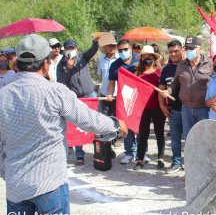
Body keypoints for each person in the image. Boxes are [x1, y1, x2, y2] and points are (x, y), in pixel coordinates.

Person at [0, 34, 128, 215]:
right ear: (46, 64)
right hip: (49, 182)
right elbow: (87, 119)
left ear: (17, 64)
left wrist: (6, 171)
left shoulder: (3, 95)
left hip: (16, 185)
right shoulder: (55, 92)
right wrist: (115, 124)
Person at [57, 37, 99, 165]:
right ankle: (79, 155)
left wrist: (95, 42)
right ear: (64, 51)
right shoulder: (61, 64)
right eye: (68, 48)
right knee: (77, 127)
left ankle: (99, 152)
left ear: (76, 49)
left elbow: (93, 50)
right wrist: (68, 68)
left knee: (95, 124)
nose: (71, 50)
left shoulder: (82, 57)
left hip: (90, 95)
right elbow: (60, 82)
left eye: (73, 48)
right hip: (75, 98)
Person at [107, 39, 144, 164]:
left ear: (131, 49)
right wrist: (110, 94)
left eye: (125, 49)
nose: (123, 52)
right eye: (120, 50)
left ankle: (142, 153)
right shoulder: (114, 65)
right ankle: (129, 153)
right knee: (126, 126)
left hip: (139, 98)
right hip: (124, 99)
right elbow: (111, 83)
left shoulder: (139, 61)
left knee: (140, 126)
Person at [171, 37, 213, 140]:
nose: (188, 51)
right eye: (186, 48)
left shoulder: (210, 64)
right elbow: (175, 84)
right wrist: (166, 91)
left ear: (199, 48)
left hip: (204, 109)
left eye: (191, 48)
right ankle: (190, 157)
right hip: (186, 109)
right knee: (189, 139)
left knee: (204, 139)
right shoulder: (181, 64)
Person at [134, 45, 166, 170]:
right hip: (143, 108)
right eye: (144, 56)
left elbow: (164, 88)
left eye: (149, 56)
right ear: (141, 58)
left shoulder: (160, 72)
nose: (147, 58)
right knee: (143, 134)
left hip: (158, 107)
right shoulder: (137, 73)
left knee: (159, 133)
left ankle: (161, 158)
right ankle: (140, 159)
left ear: (154, 57)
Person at [158, 40, 185, 174]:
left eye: (176, 51)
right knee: (175, 139)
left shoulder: (189, 66)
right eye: (170, 52)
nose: (173, 54)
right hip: (174, 110)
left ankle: (190, 164)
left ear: (182, 50)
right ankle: (176, 162)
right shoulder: (167, 70)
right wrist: (162, 105)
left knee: (190, 139)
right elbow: (161, 89)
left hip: (190, 110)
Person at [98, 36, 118, 116]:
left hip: (117, 94)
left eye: (113, 45)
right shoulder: (101, 59)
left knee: (118, 119)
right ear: (105, 47)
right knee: (105, 119)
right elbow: (101, 75)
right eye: (109, 45)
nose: (112, 47)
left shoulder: (120, 59)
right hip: (104, 93)